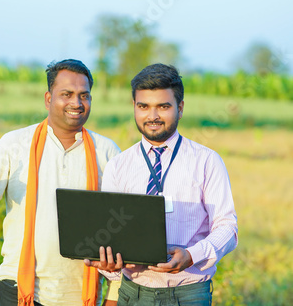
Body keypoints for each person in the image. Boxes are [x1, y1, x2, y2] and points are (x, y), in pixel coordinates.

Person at [0, 59, 122, 306]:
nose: (76, 103)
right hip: (19, 288)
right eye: (67, 94)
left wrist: (113, 295)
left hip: (81, 293)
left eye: (84, 95)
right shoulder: (15, 144)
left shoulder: (107, 152)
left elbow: (122, 223)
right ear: (48, 98)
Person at [85, 63, 238, 305]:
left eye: (163, 106)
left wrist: (191, 255)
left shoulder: (207, 161)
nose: (152, 116)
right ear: (134, 107)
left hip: (188, 294)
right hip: (131, 293)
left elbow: (227, 227)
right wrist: (109, 266)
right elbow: (112, 234)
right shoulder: (118, 165)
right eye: (143, 106)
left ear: (180, 107)